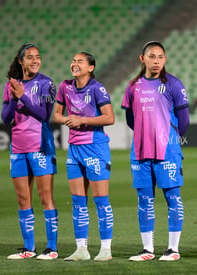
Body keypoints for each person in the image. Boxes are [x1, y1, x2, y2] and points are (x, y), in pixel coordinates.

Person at [121, 41, 189, 262]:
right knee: (144, 199)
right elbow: (130, 119)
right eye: (152, 56)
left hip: (167, 150)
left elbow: (184, 120)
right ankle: (148, 249)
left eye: (160, 56)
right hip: (140, 151)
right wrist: (145, 133)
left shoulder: (174, 84)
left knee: (172, 198)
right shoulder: (133, 86)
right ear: (143, 59)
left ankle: (173, 249)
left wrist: (170, 137)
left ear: (165, 59)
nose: (156, 60)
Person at [53, 52, 115, 261]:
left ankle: (105, 249)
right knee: (78, 200)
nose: (74, 64)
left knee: (100, 199)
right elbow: (57, 115)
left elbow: (110, 117)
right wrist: (68, 120)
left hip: (95, 148)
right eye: (73, 60)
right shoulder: (65, 87)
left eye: (80, 61)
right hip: (74, 149)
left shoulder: (97, 88)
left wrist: (82, 121)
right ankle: (81, 249)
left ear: (90, 67)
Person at [1, 43, 58, 260]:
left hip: (41, 147)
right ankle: (29, 249)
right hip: (18, 148)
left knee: (46, 198)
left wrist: (24, 96)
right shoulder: (11, 85)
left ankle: (51, 249)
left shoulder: (46, 83)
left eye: (38, 56)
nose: (35, 60)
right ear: (20, 61)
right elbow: (6, 119)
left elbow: (44, 114)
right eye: (30, 57)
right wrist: (15, 98)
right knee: (23, 198)